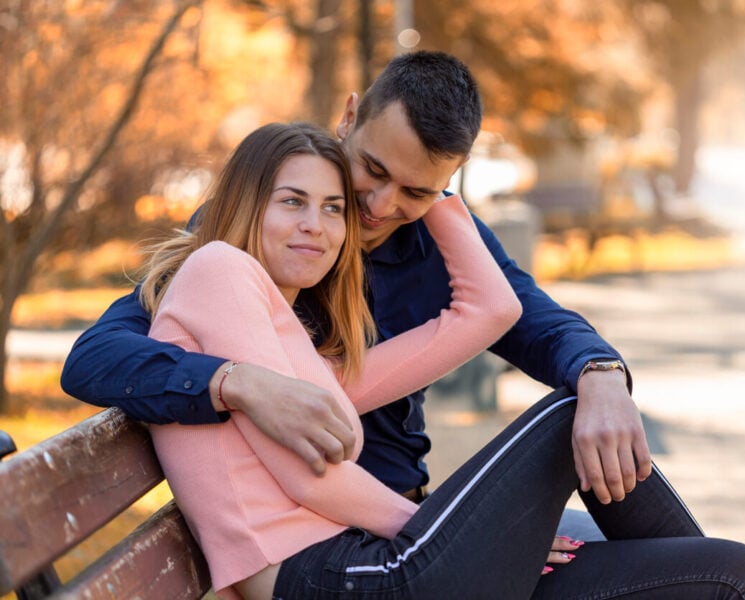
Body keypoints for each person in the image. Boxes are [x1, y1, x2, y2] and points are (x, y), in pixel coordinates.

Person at [65, 51, 686, 555]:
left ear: (448, 184)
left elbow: (532, 319)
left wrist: (603, 375)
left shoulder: (440, 241)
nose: (382, 206)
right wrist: (241, 383)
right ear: (349, 117)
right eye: (374, 169)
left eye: (416, 190)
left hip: (413, 518)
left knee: (676, 557)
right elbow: (98, 357)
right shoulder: (260, 230)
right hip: (336, 541)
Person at [139, 121, 745, 600]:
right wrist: (449, 532)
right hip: (330, 575)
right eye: (292, 201)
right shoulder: (219, 270)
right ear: (246, 202)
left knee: (733, 574)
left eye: (333, 208)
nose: (317, 225)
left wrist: (435, 193)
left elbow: (492, 310)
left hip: (356, 560)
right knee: (569, 417)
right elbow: (308, 475)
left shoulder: (285, 329)